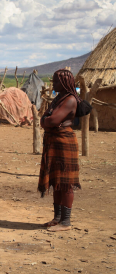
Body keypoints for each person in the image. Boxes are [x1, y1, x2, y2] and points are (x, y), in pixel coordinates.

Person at [38, 69, 81, 232]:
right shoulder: (59, 98)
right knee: (56, 181)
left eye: (56, 81)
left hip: (64, 143)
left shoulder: (70, 100)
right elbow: (45, 120)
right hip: (54, 142)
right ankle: (57, 218)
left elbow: (52, 119)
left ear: (64, 82)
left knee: (66, 183)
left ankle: (66, 222)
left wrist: (47, 119)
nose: (53, 84)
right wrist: (46, 119)